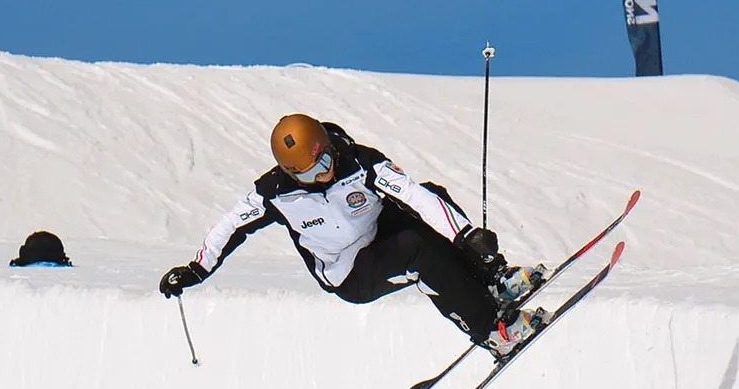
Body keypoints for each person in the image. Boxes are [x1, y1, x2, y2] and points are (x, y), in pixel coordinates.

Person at [159, 114, 546, 356]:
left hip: (378, 230)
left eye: (327, 159)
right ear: (293, 173)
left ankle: (494, 279)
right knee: (418, 254)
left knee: (428, 205)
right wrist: (197, 269)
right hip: (350, 273)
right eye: (313, 172)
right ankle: (493, 331)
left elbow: (413, 194)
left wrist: (466, 236)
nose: (325, 173)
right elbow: (230, 225)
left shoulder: (360, 162)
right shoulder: (276, 195)